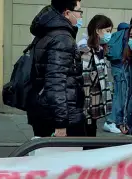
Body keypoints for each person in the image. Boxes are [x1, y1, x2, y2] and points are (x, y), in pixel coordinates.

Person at [28, 0, 85, 137]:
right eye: (79, 11)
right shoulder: (62, 38)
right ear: (67, 13)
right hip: (62, 115)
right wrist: (61, 123)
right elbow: (56, 82)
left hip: (44, 110)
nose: (81, 16)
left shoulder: (48, 31)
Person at [80, 15, 113, 137]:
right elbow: (84, 78)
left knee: (92, 131)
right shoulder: (85, 49)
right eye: (107, 31)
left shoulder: (100, 48)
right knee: (87, 134)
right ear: (97, 30)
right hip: (87, 104)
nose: (109, 34)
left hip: (95, 102)